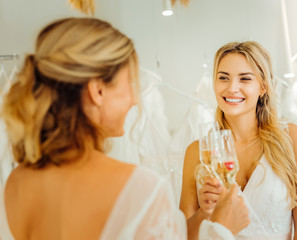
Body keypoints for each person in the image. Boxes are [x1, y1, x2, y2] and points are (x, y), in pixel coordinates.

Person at [0, 18, 250, 239]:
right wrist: (222, 229)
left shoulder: (17, 181)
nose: (135, 99)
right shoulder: (141, 188)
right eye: (130, 82)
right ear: (98, 91)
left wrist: (207, 217)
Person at [180, 41, 297, 240]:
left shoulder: (291, 137)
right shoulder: (198, 152)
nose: (232, 88)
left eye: (245, 79)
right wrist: (205, 213)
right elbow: (182, 235)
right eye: (223, 78)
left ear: (263, 87)